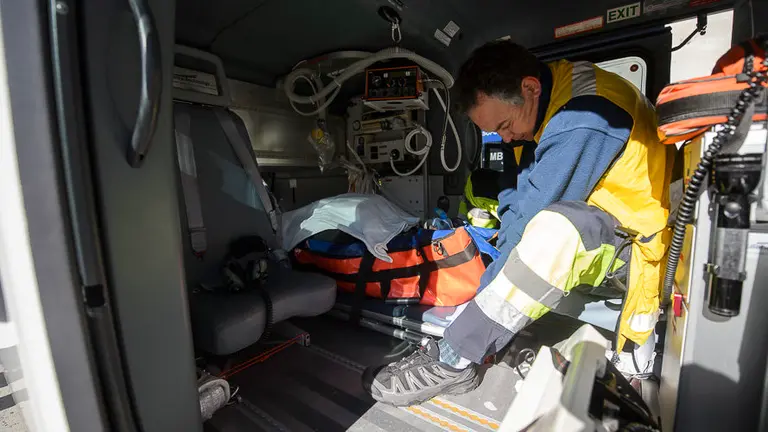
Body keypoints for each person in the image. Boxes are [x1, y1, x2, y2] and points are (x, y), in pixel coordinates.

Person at [363, 41, 673, 407]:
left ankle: (455, 360)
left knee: (559, 228)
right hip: (602, 229)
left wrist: (479, 305)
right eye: (496, 132)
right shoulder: (540, 106)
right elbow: (516, 199)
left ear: (530, 88)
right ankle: (472, 336)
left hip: (634, 250)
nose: (506, 138)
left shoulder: (584, 117)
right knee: (531, 228)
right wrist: (490, 282)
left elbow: (535, 217)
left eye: (505, 126)